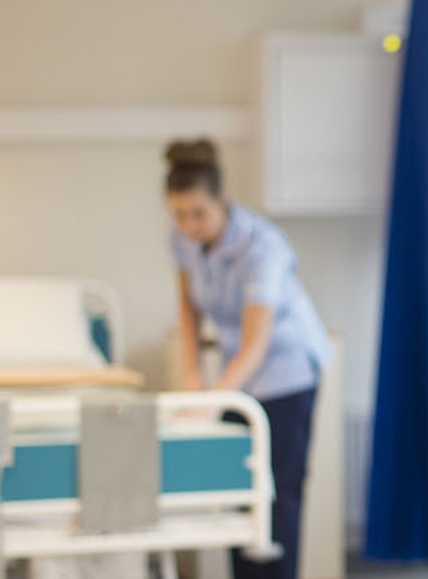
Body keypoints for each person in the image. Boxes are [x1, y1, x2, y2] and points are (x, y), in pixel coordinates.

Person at [165, 138, 331, 579]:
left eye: (198, 213)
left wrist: (212, 401)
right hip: (238, 375)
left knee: (277, 495)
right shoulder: (182, 239)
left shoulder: (262, 247)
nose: (189, 225)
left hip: (286, 371)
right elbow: (187, 310)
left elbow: (257, 344)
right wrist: (194, 375)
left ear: (222, 200)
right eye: (179, 214)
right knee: (240, 489)